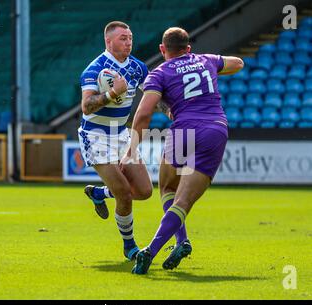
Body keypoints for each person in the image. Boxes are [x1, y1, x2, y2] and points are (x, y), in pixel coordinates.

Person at [120, 27, 244, 274]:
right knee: (184, 201)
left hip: (183, 131)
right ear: (188, 48)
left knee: (167, 188)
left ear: (162, 49)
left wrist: (132, 150)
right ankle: (175, 243)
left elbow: (144, 113)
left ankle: (159, 248)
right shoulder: (205, 60)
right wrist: (208, 67)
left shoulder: (159, 74)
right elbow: (238, 63)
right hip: (213, 129)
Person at [79, 21, 152, 261]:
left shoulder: (138, 67)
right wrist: (112, 93)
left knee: (144, 191)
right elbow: (87, 106)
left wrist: (170, 110)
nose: (129, 41)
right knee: (124, 193)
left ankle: (99, 193)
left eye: (130, 37)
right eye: (123, 38)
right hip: (96, 135)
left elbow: (153, 96)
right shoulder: (94, 69)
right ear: (108, 41)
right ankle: (129, 246)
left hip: (121, 134)